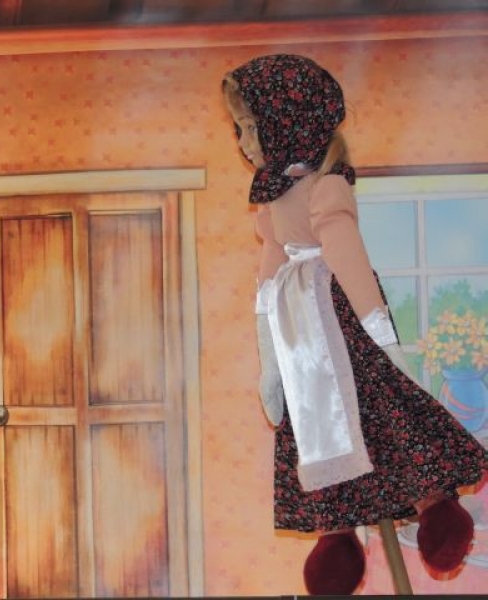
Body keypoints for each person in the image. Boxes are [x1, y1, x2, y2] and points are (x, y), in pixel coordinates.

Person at [221, 54, 488, 595]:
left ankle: (433, 504)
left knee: (382, 412)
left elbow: (349, 260)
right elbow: (267, 282)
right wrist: (271, 362)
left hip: (343, 325)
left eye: (250, 128)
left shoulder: (327, 187)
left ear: (288, 123)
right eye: (238, 130)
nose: (244, 143)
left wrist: (383, 340)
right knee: (315, 425)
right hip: (299, 338)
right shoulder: (272, 199)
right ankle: (338, 532)